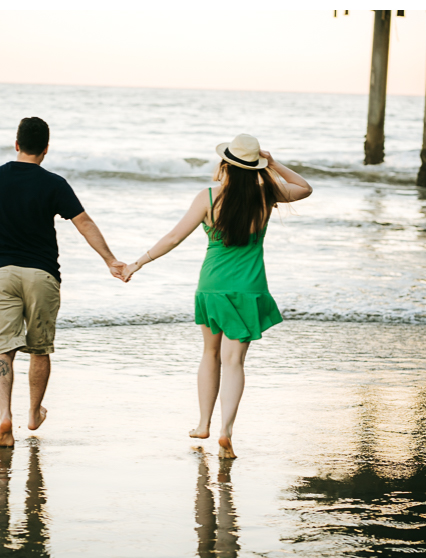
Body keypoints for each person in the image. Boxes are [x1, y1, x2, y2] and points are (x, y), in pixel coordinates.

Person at [121, 134, 313, 459]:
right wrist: (274, 163)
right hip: (248, 288)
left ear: (225, 164)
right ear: (255, 167)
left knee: (210, 354)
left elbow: (173, 237)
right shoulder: (266, 193)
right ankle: (226, 430)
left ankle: (203, 423)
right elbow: (305, 188)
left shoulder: (208, 197)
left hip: (211, 287)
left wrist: (137, 263)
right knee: (234, 361)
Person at [0, 116, 126, 447]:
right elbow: (83, 222)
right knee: (39, 350)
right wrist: (110, 260)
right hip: (41, 275)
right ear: (46, 149)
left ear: (16, 145)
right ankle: (34, 412)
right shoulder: (54, 183)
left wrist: (2, 218)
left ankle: (4, 417)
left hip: (0, 273)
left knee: (2, 350)